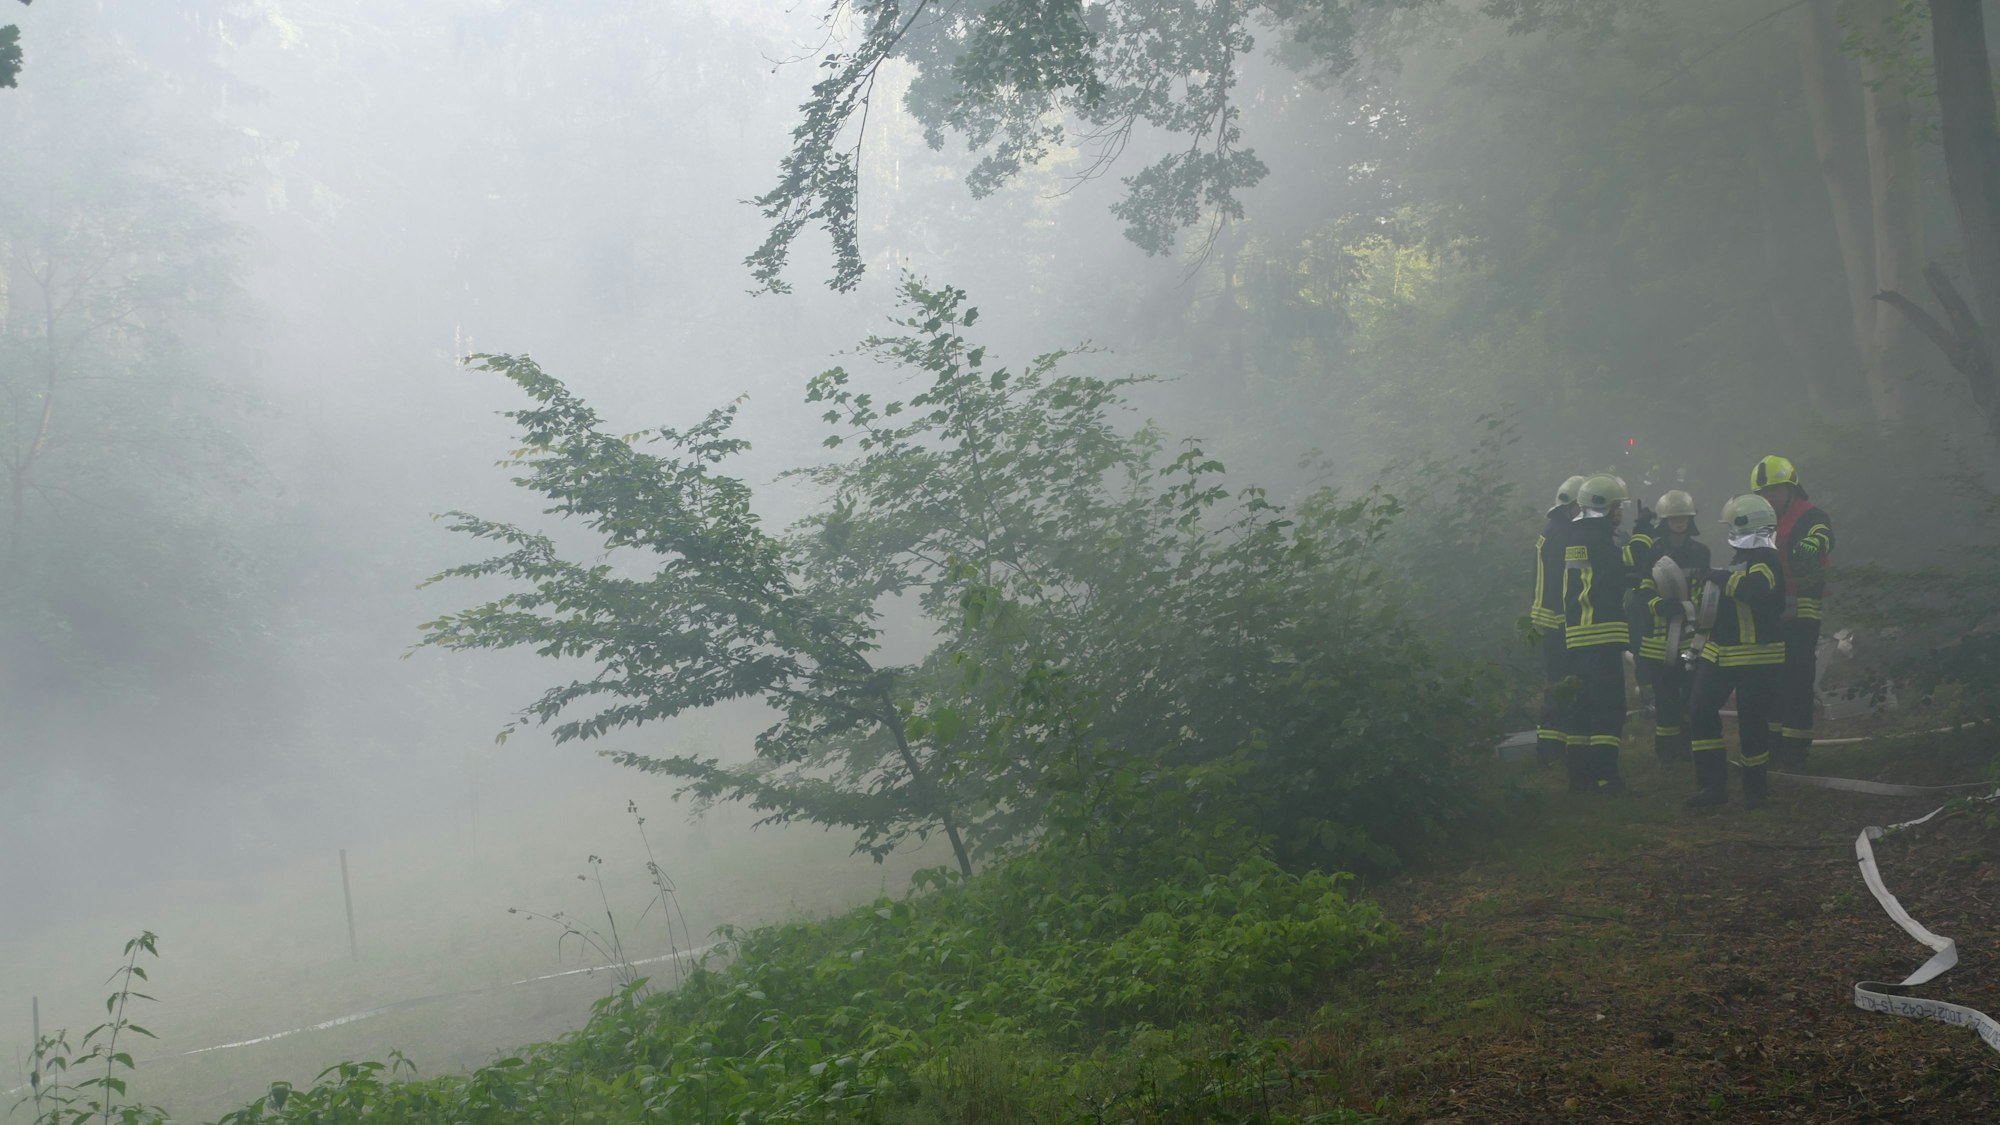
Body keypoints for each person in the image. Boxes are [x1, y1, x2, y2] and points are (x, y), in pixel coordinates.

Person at [1684, 494, 1786, 809]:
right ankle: (1712, 787)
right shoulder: (1740, 558)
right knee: (1700, 709)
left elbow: (1757, 591)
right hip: (1722, 654)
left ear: (1745, 525)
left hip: (1757, 657)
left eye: (1732, 524)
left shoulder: (1766, 559)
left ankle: (1756, 793)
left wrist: (1721, 579)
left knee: (1752, 725)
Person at [1751, 455, 1834, 771]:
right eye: (1763, 492)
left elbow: (1825, 535)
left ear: (1791, 488)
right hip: (1770, 615)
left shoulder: (1811, 516)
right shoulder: (1762, 520)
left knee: (1797, 680)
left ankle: (1796, 751)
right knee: (1769, 681)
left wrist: (1814, 543)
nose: (1769, 496)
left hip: (1802, 615)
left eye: (1774, 489)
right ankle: (1773, 746)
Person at [1562, 473, 1634, 794]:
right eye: (1617, 506)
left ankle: (1579, 778)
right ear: (1603, 507)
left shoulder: (1577, 535)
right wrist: (1639, 545)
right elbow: (1617, 576)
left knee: (1582, 708)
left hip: (1579, 635)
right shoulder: (1599, 539)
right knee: (1609, 708)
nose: (1621, 511)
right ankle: (1607, 778)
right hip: (1601, 634)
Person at [1631, 490, 1710, 764]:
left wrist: (1692, 607)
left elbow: (1704, 588)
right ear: (1665, 521)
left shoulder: (1701, 552)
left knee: (1690, 697)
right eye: (1674, 518)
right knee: (1665, 699)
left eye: (1684, 518)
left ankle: (1689, 750)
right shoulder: (1653, 551)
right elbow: (1643, 588)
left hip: (1690, 640)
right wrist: (1659, 605)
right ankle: (1667, 754)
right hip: (1658, 641)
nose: (1679, 522)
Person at [1531, 474, 1586, 766]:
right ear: (1571, 506)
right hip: (1561, 621)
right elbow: (1565, 580)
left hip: (1551, 619)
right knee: (1560, 685)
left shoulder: (1554, 528)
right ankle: (1551, 753)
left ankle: (1552, 750)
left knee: (1558, 684)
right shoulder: (1563, 534)